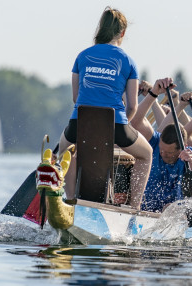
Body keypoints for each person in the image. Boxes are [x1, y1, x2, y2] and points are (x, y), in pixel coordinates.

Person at [57, 7, 153, 210]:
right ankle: (135, 208)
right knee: (146, 154)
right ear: (123, 33)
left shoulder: (82, 56)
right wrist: (118, 133)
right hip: (116, 124)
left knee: (64, 150)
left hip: (80, 122)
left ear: (100, 29)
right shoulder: (128, 62)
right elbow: (133, 106)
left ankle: (72, 200)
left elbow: (76, 98)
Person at [131, 78, 192, 212]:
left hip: (171, 216)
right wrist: (153, 93)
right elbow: (136, 122)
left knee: (171, 209)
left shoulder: (187, 153)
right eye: (161, 150)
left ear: (182, 147)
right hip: (144, 211)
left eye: (169, 153)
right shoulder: (155, 141)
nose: (163, 154)